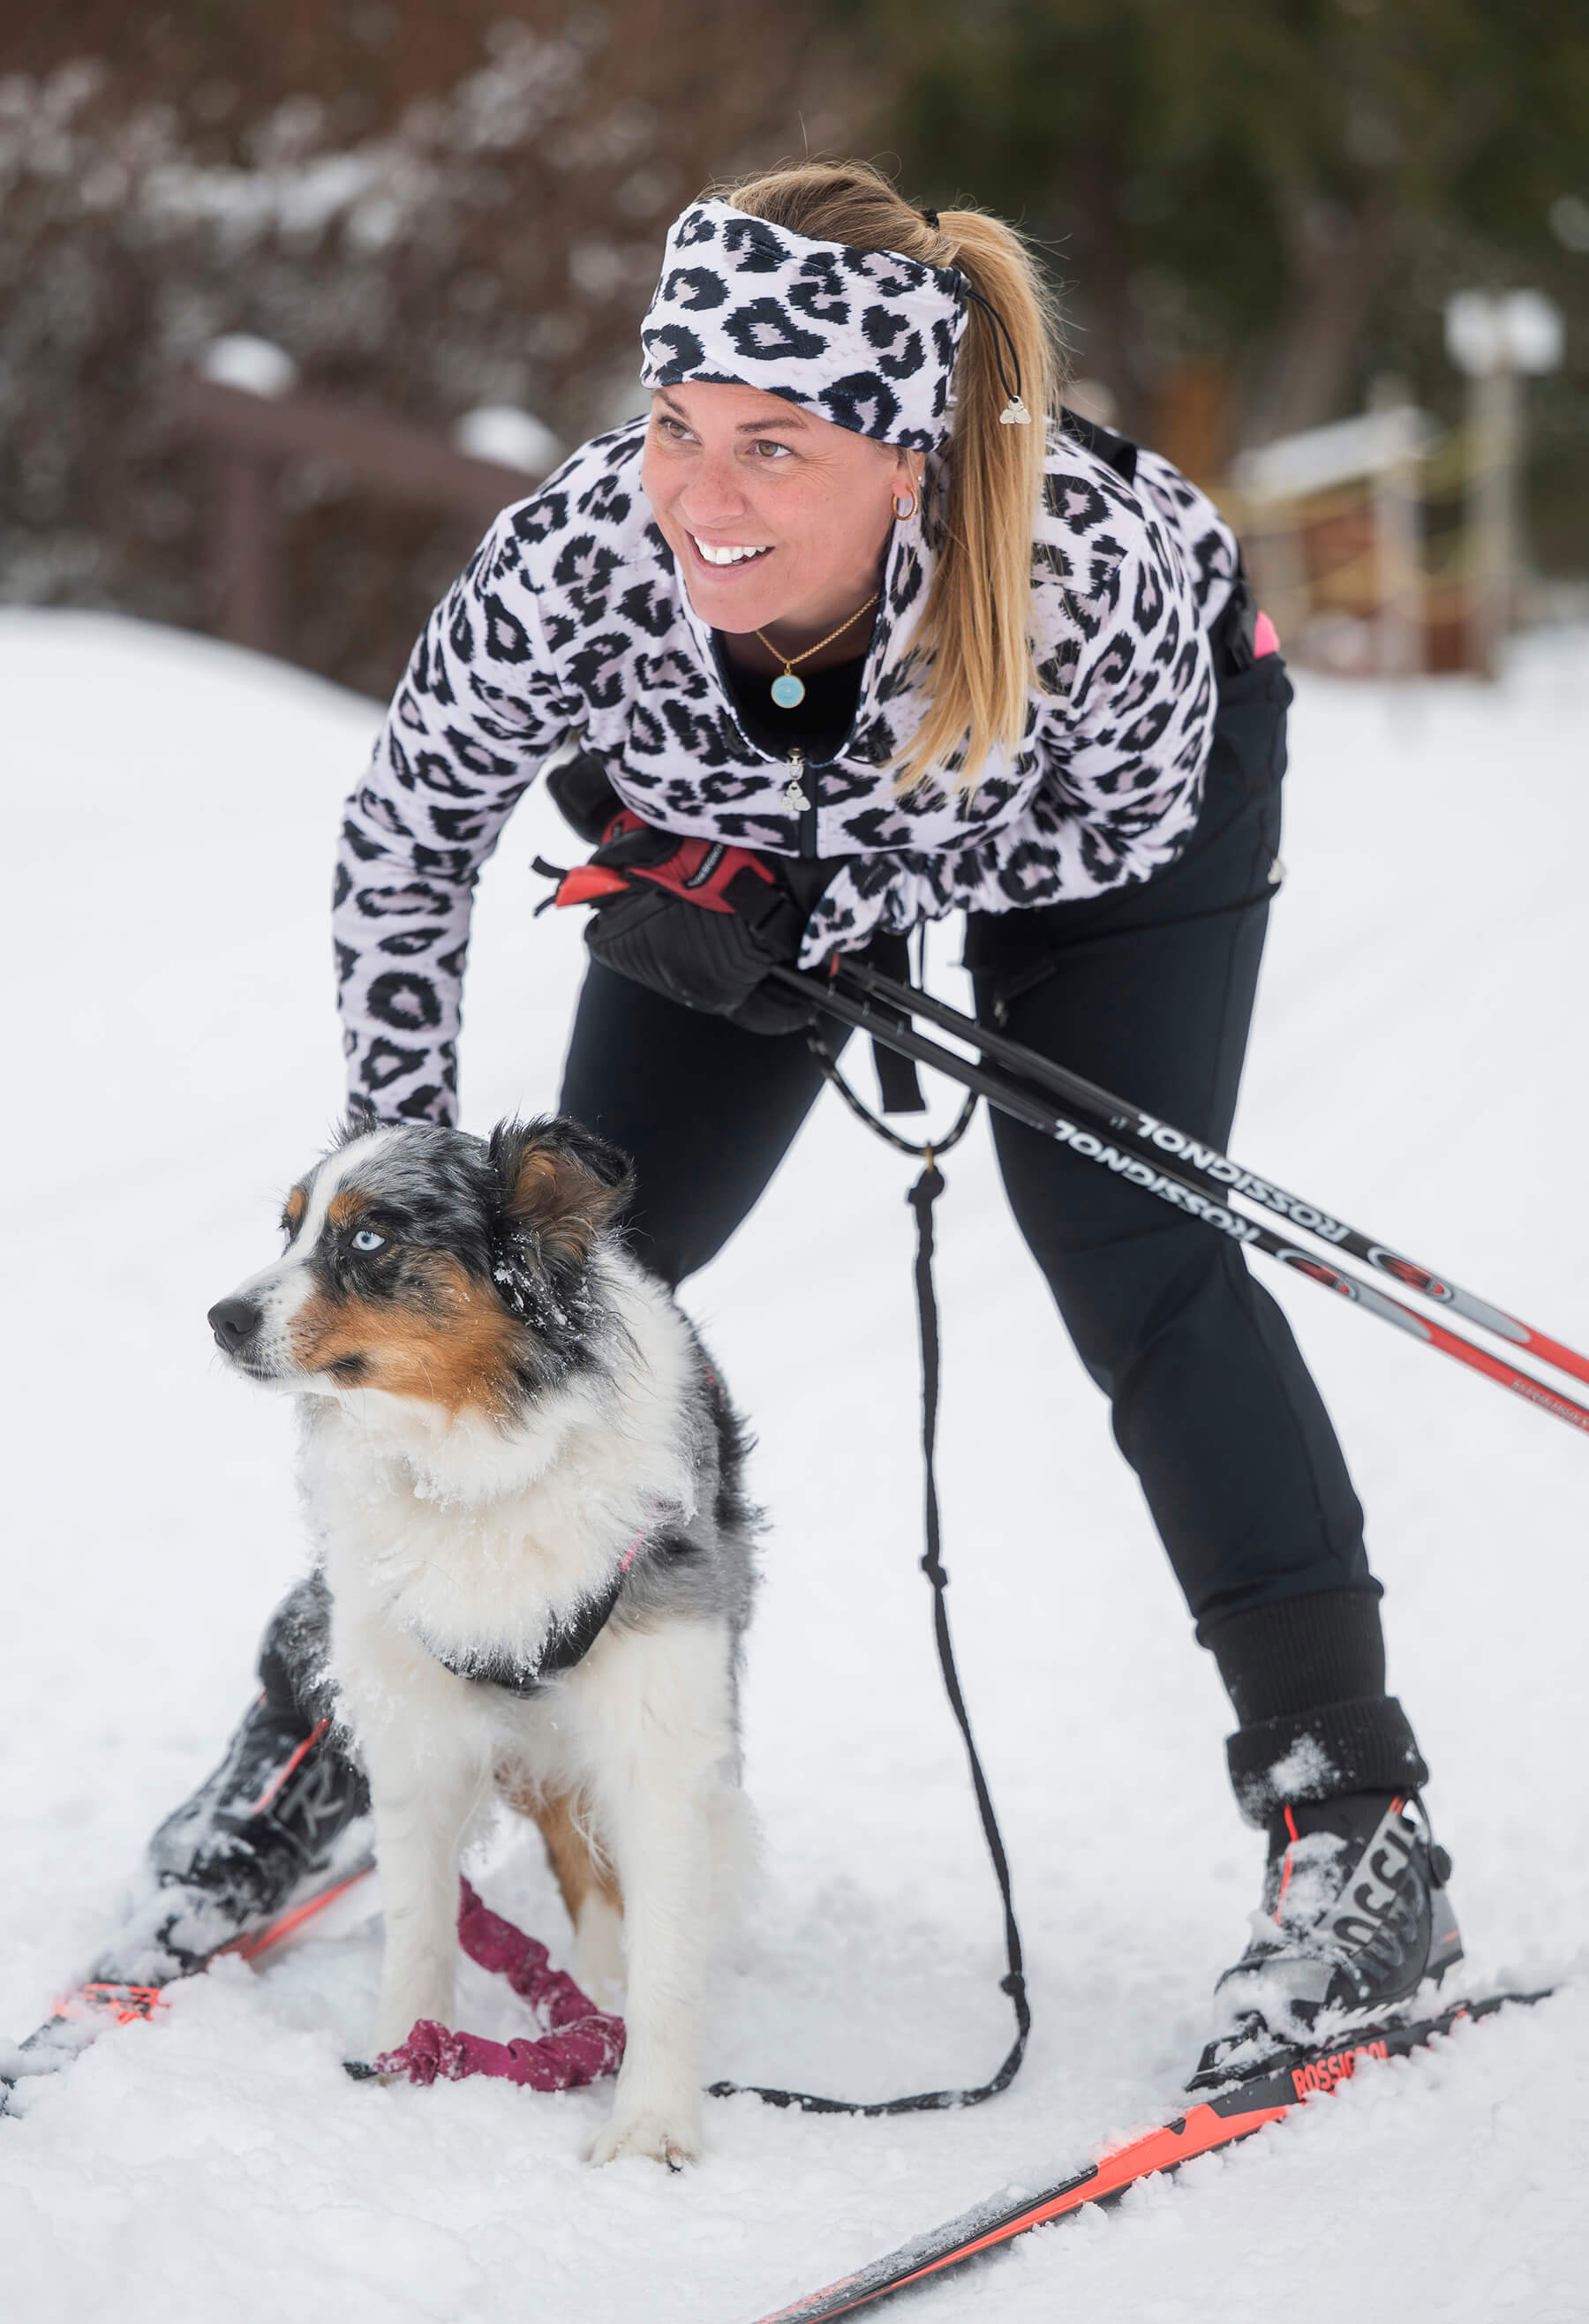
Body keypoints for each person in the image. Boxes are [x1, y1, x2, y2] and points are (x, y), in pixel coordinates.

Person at [102, 162, 1460, 2083]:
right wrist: (401, 1192)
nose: (697, 496)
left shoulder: (1086, 570)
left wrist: (810, 903)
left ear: (903, 457)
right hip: (750, 847)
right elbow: (408, 837)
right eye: (672, 427)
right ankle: (336, 1714)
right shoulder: (583, 557)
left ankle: (1358, 1825)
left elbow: (1110, 841)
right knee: (570, 1269)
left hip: (1100, 831)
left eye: (770, 446)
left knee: (1132, 1250)